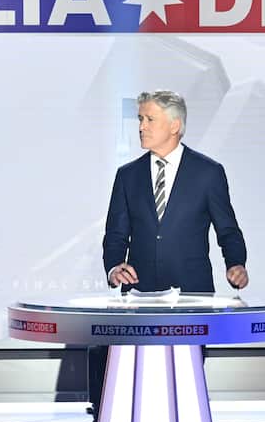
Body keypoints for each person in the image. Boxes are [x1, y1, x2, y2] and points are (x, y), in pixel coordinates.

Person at [102, 90, 248, 293]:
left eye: (150, 119)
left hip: (194, 294)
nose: (142, 127)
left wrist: (236, 264)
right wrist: (113, 268)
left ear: (174, 126)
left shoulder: (208, 173)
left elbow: (228, 231)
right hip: (139, 295)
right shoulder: (127, 175)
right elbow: (115, 235)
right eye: (140, 119)